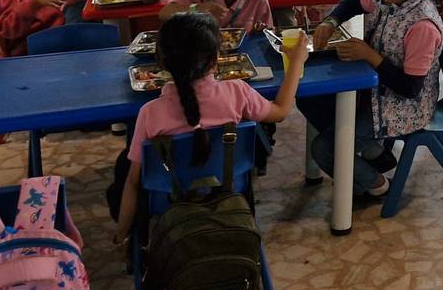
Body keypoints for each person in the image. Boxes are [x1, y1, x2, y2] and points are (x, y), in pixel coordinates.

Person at [113, 12, 304, 245]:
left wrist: (121, 237)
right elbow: (281, 111)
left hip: (168, 201)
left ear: (161, 62)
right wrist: (296, 63)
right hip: (229, 190)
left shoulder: (150, 113)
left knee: (123, 170)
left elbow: (133, 183)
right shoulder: (237, 92)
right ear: (215, 60)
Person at [299, 0, 443, 201]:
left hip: (403, 107)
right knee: (310, 100)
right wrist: (330, 22)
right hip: (376, 90)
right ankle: (373, 152)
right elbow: (355, 1)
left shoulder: (422, 25)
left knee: (325, 149)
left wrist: (371, 57)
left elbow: (410, 88)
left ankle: (379, 185)